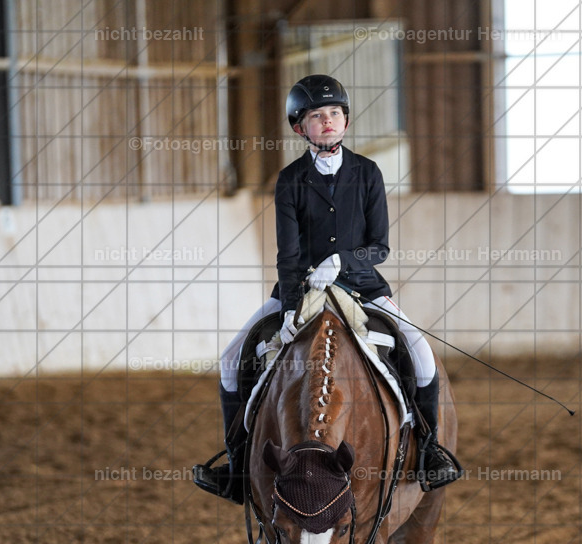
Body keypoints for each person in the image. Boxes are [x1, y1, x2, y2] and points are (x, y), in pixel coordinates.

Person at [194, 74, 461, 504]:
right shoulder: (290, 179)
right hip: (299, 289)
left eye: (335, 113)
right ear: (300, 127)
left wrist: (342, 261)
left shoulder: (368, 172)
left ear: (346, 120)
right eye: (317, 116)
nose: (328, 121)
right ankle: (237, 468)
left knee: (421, 353)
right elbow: (287, 254)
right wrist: (290, 307)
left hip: (362, 288)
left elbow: (379, 246)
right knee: (230, 361)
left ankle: (429, 453)